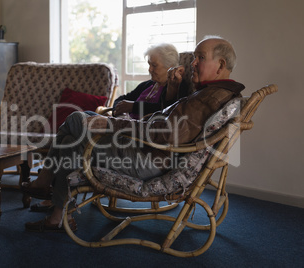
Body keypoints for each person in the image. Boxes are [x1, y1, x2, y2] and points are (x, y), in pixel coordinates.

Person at [22, 36, 245, 232]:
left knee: (74, 121)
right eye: (195, 57)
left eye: (200, 57)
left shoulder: (208, 98)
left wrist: (113, 125)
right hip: (151, 153)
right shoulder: (211, 94)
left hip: (148, 160)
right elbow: (168, 125)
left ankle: (45, 183)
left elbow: (165, 133)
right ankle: (58, 215)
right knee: (74, 136)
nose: (193, 63)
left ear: (221, 64)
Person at [112, 43, 188, 119]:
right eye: (149, 64)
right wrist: (117, 111)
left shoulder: (177, 86)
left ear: (170, 67)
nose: (150, 69)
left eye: (154, 65)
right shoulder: (148, 85)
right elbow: (121, 99)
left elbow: (165, 109)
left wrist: (134, 106)